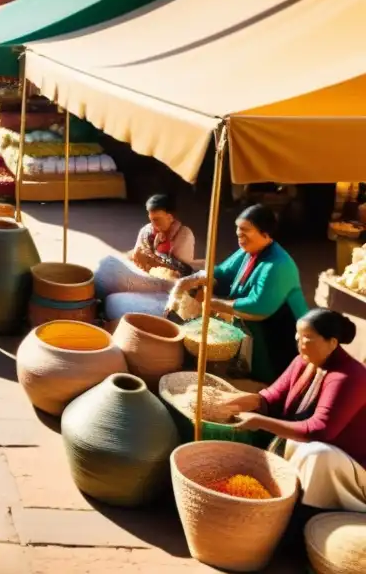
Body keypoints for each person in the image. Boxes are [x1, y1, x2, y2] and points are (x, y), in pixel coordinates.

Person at [216, 309, 366, 512]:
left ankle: (305, 513)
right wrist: (240, 401)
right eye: (298, 335)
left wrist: (258, 421)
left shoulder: (351, 376)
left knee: (315, 453)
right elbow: (272, 397)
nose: (299, 342)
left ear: (332, 343)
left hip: (350, 466)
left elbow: (319, 430)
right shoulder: (303, 362)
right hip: (309, 448)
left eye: (308, 337)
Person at [171, 203, 306, 383]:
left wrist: (214, 303)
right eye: (237, 229)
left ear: (265, 233)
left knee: (269, 378)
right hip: (252, 330)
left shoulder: (278, 265)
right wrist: (198, 280)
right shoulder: (248, 252)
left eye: (245, 230)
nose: (238, 234)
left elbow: (258, 308)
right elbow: (223, 274)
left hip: (279, 333)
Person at [99, 194, 200, 322]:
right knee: (108, 265)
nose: (153, 224)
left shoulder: (184, 235)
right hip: (144, 278)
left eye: (157, 219)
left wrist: (151, 260)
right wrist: (133, 256)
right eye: (151, 219)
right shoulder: (147, 230)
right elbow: (136, 256)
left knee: (113, 303)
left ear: (170, 217)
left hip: (168, 288)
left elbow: (182, 272)